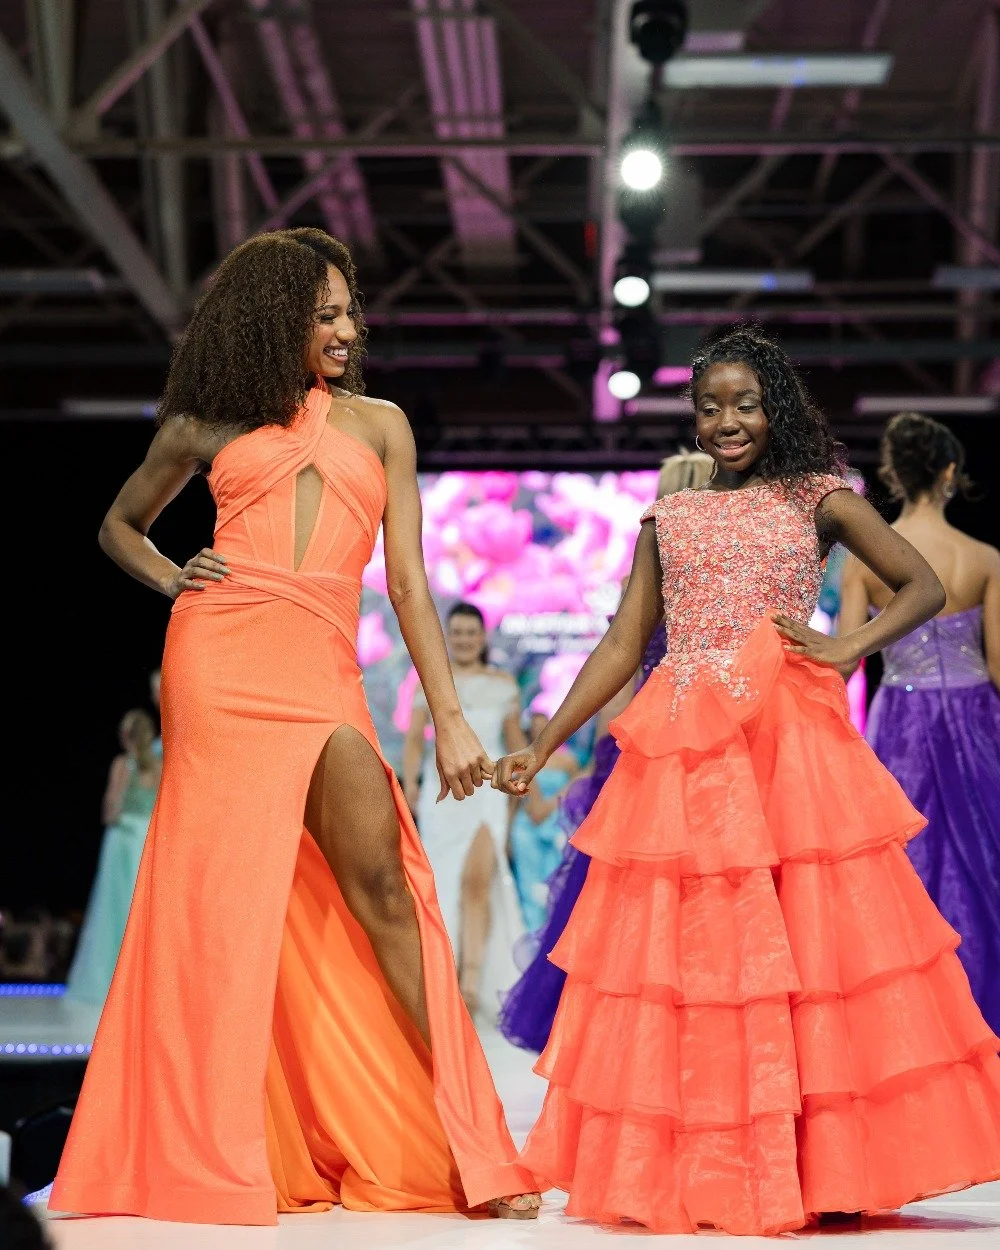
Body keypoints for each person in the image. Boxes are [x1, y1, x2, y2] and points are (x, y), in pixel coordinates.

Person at [50, 228, 538, 1225]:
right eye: (326, 313)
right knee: (222, 910)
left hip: (320, 663)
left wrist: (448, 716)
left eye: (351, 312)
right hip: (219, 658)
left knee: (384, 892)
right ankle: (215, 1147)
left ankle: (478, 1146)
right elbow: (117, 524)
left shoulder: (383, 425)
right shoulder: (204, 423)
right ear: (278, 316)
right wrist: (170, 573)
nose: (349, 329)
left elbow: (406, 579)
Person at [491, 328, 1000, 1236]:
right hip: (690, 750)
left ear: (778, 409)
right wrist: (546, 738)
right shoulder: (669, 517)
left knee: (807, 955)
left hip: (789, 743)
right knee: (699, 967)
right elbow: (621, 642)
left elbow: (918, 585)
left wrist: (846, 647)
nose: (727, 422)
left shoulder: (819, 498)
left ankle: (822, 1162)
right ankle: (711, 1163)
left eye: (745, 405)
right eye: (710, 407)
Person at [498, 450, 712, 1053]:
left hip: (645, 740)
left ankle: (626, 1013)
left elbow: (623, 672)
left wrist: (598, 748)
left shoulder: (640, 577)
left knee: (625, 889)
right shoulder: (720, 570)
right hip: (707, 742)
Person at [839, 411, 1000, 1033]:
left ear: (893, 475)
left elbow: (847, 659)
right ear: (951, 472)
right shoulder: (982, 556)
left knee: (905, 861)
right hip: (977, 720)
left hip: (901, 721)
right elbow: (998, 662)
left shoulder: (865, 560)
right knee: (980, 859)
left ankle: (910, 1020)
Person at [403, 602, 526, 1022]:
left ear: (483, 637)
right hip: (444, 795)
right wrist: (412, 787)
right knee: (443, 882)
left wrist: (520, 787)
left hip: (488, 794)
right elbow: (416, 742)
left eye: (471, 632)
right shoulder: (431, 682)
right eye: (456, 632)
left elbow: (515, 744)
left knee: (478, 879)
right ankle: (444, 977)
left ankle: (471, 982)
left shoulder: (504, 684)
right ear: (447, 636)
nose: (464, 639)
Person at [65, 709, 161, 1007]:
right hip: (147, 841)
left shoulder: (123, 765)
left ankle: (112, 982)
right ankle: (146, 983)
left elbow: (110, 811)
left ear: (125, 736)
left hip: (122, 840)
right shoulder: (159, 766)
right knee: (144, 910)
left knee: (113, 909)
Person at [508, 706, 581, 931]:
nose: (539, 728)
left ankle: (554, 936)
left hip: (556, 827)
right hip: (526, 827)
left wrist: (551, 806)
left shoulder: (567, 760)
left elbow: (577, 791)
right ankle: (532, 938)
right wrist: (507, 832)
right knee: (528, 886)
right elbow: (513, 800)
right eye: (535, 725)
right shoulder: (519, 760)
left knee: (556, 884)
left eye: (544, 724)